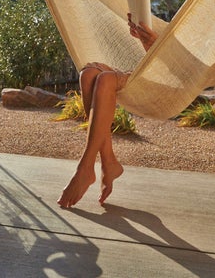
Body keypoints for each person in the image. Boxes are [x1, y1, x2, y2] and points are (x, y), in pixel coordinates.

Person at [56, 14, 158, 208]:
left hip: (165, 83)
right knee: (88, 74)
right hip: (145, 71)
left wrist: (155, 43)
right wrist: (146, 39)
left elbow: (182, 66)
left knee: (105, 80)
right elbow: (158, 56)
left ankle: (85, 168)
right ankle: (108, 160)